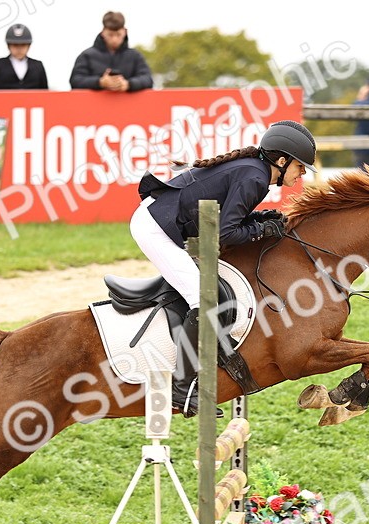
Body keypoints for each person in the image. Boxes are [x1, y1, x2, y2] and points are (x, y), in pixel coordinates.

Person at [129, 120, 317, 417]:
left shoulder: (255, 171)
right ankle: (180, 388)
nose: (302, 172)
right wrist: (261, 231)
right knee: (205, 301)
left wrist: (260, 221)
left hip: (165, 217)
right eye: (300, 166)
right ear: (281, 161)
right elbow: (224, 234)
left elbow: (231, 218)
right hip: (155, 227)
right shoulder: (254, 178)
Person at [69, 10, 153, 92]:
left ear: (125, 32)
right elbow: (75, 81)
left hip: (129, 105)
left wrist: (128, 84)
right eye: (110, 35)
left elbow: (148, 79)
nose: (114, 39)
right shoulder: (86, 56)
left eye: (118, 34)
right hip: (94, 105)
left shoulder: (135, 56)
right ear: (103, 32)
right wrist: (100, 82)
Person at [0, 23, 48, 89]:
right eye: (15, 45)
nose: (19, 49)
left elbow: (45, 93)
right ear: (8, 45)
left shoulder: (38, 66)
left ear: (29, 46)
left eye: (23, 45)